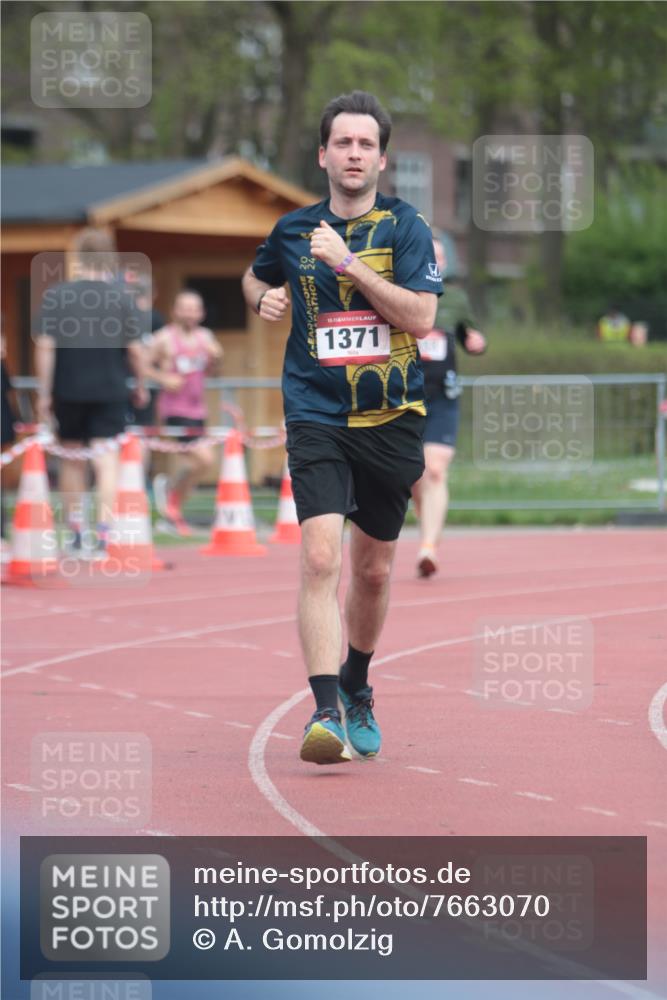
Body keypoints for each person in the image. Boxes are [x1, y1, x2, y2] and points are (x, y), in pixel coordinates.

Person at [242, 90, 442, 765]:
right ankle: (324, 711)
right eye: (343, 143)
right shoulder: (292, 229)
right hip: (315, 412)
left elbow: (421, 318)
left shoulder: (406, 227)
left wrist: (348, 264)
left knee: (374, 570)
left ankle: (356, 682)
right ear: (322, 155)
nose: (353, 154)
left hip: (390, 416)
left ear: (381, 160)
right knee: (321, 557)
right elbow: (252, 278)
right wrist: (263, 298)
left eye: (366, 144)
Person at [34, 228, 148, 557]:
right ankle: (103, 535)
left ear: (78, 256)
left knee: (71, 460)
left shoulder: (57, 296)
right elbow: (135, 350)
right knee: (106, 462)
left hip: (68, 388)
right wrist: (140, 384)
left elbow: (45, 347)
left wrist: (44, 393)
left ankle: (75, 534)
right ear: (109, 256)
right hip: (110, 388)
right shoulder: (121, 298)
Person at [411, 236, 486, 578]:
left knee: (436, 470)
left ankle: (428, 548)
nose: (435, 262)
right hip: (404, 397)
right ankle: (427, 518)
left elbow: (471, 333)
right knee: (414, 477)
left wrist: (476, 342)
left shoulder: (455, 298)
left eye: (440, 257)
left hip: (443, 395)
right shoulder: (400, 293)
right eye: (430, 255)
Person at [150, 291, 223, 536]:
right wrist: (163, 377)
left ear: (201, 313)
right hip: (174, 409)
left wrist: (216, 359)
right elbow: (140, 364)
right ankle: (172, 498)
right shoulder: (163, 338)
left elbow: (214, 374)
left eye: (194, 309)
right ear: (175, 311)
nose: (190, 314)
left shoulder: (206, 337)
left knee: (199, 463)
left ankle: (172, 501)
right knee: (205, 459)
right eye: (185, 308)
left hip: (197, 409)